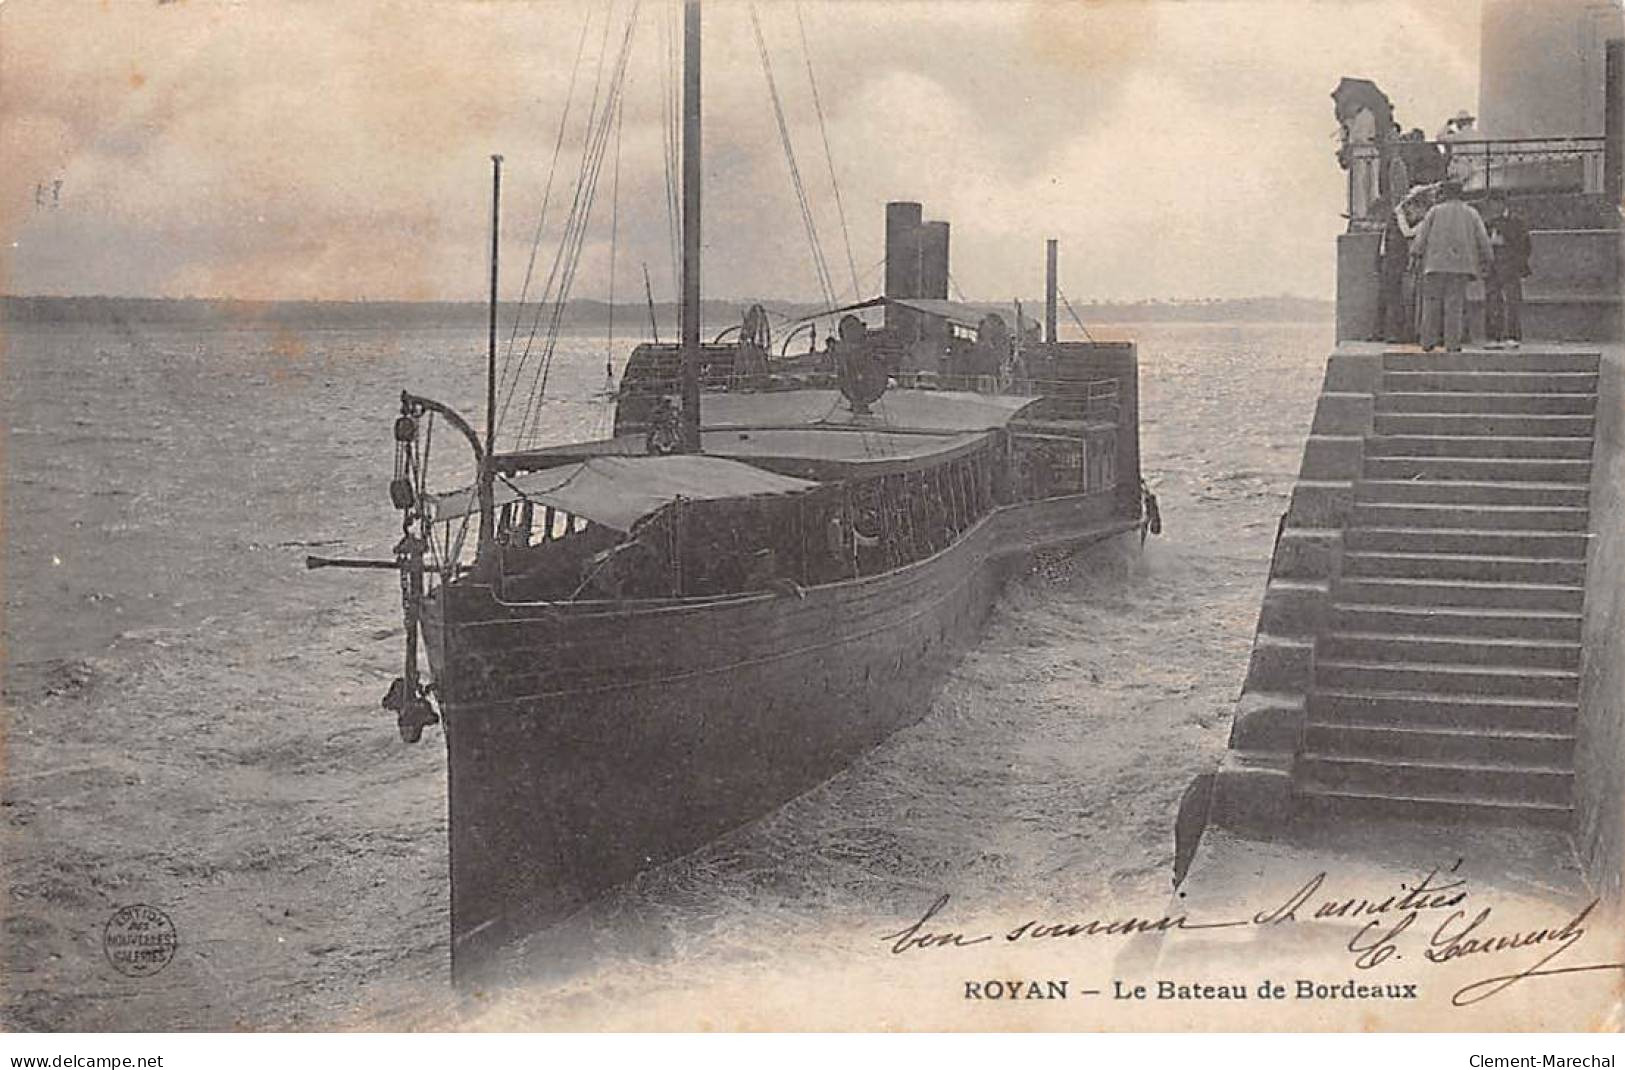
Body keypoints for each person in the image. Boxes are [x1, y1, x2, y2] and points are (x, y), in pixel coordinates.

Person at [1408, 179, 1493, 352]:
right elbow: (1482, 239)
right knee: (1454, 305)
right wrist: (1487, 259)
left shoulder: (1434, 211)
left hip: (1434, 264)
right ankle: (1452, 343)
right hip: (1461, 266)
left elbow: (1421, 238)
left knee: (1431, 304)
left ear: (1444, 194)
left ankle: (1427, 341)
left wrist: (1415, 255)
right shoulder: (1471, 213)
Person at [1480, 192, 1532, 348]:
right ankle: (1494, 336)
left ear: (1502, 204)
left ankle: (1512, 335)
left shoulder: (1516, 222)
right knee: (1492, 300)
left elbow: (1525, 245)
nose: (1492, 208)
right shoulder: (1486, 224)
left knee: (1512, 301)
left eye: (1495, 204)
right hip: (1492, 266)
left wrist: (1517, 261)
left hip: (1510, 266)